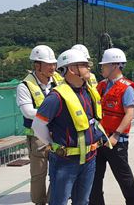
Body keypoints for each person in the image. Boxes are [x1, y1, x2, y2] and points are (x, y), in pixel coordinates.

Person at [31, 49, 107, 205]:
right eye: (85, 65)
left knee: (82, 201)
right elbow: (38, 126)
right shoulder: (56, 97)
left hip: (89, 159)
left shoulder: (88, 92)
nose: (89, 68)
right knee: (59, 202)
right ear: (72, 69)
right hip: (65, 162)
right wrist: (54, 145)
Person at [89, 48, 134, 205]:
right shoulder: (102, 86)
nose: (102, 68)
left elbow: (129, 114)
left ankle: (133, 202)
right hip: (99, 140)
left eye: (104, 65)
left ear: (115, 66)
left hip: (116, 141)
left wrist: (116, 135)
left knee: (124, 177)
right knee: (94, 178)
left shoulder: (126, 88)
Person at [17, 45, 60, 205]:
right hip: (37, 137)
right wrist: (56, 111)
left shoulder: (58, 81)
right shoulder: (24, 86)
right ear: (37, 65)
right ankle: (40, 202)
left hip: (57, 134)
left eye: (54, 64)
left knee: (58, 171)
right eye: (48, 64)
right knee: (38, 174)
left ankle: (53, 200)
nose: (53, 67)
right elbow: (28, 112)